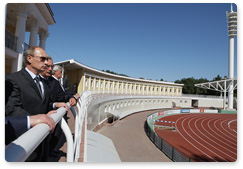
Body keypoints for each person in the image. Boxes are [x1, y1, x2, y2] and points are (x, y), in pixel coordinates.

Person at [5, 46, 68, 161]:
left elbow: (43, 103)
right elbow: (11, 109)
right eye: (42, 59)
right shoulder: (12, 79)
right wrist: (36, 118)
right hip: (24, 142)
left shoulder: (43, 82)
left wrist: (54, 106)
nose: (46, 62)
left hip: (43, 141)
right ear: (29, 58)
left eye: (46, 59)